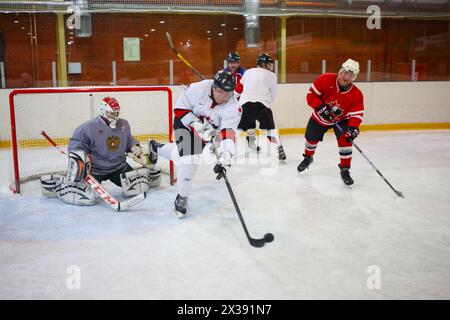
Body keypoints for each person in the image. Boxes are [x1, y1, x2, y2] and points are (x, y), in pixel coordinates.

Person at [148, 70, 241, 218]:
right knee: (190, 159)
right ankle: (182, 197)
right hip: (184, 124)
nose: (226, 97)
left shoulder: (233, 106)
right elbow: (179, 109)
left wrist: (225, 157)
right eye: (222, 92)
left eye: (229, 93)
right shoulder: (197, 89)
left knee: (182, 157)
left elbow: (228, 133)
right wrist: (199, 126)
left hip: (207, 131)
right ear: (215, 87)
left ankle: (155, 147)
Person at [40, 97, 160, 205]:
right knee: (84, 196)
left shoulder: (124, 124)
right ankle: (58, 184)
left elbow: (129, 140)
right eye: (112, 113)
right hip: (96, 169)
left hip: (118, 166)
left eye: (117, 112)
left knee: (137, 187)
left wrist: (135, 148)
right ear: (103, 111)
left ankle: (150, 175)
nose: (116, 116)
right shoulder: (89, 127)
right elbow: (77, 143)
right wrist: (81, 157)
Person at [297, 58, 364, 185]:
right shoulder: (325, 79)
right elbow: (310, 95)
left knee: (346, 140)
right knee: (311, 139)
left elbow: (357, 114)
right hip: (319, 117)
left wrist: (353, 128)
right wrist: (319, 106)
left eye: (351, 75)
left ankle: (345, 169)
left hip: (342, 119)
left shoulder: (356, 94)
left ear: (354, 77)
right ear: (340, 71)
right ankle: (308, 158)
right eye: (345, 72)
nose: (347, 77)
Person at [238, 52, 286, 160]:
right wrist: (267, 103)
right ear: (263, 64)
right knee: (269, 130)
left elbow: (238, 89)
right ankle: (279, 148)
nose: (270, 66)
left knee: (238, 129)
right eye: (268, 64)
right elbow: (273, 95)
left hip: (245, 104)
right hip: (262, 105)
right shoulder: (272, 76)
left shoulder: (248, 72)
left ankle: (225, 147)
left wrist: (237, 101)